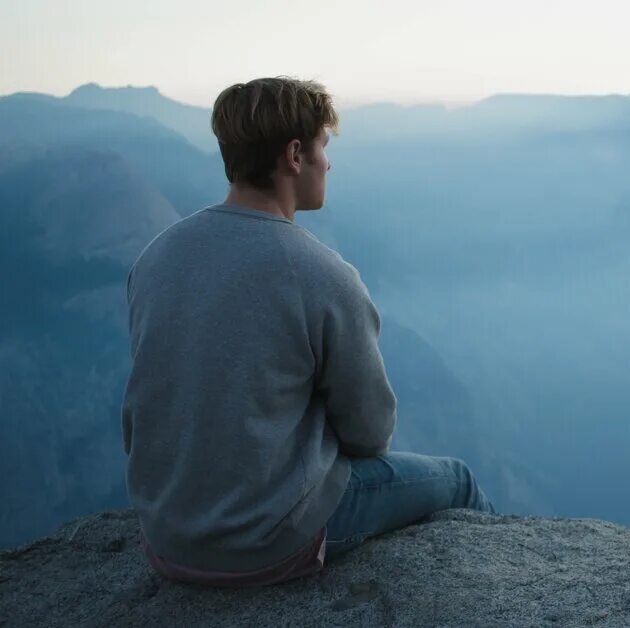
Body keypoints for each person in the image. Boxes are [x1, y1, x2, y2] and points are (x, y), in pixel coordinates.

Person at [121, 76, 496, 587]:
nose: (328, 161)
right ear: (295, 155)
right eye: (323, 145)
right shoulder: (322, 275)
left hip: (166, 542)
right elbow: (369, 433)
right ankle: (507, 584)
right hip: (269, 545)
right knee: (458, 479)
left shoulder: (154, 259)